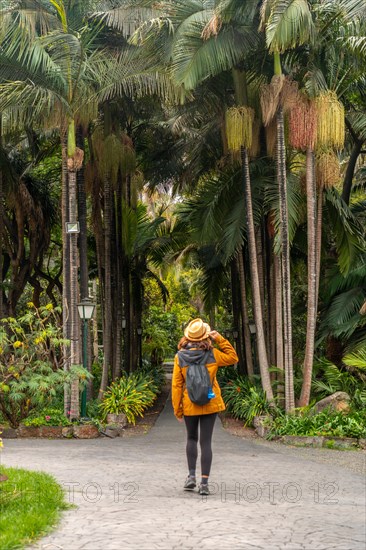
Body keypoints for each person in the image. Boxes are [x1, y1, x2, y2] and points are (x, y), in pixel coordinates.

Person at [171, 318, 238, 496]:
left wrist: (177, 410)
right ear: (205, 335)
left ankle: (191, 477)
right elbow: (233, 357)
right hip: (210, 403)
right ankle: (205, 483)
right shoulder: (213, 354)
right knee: (206, 442)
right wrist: (219, 339)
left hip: (189, 404)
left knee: (191, 439)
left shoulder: (180, 357)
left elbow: (176, 386)